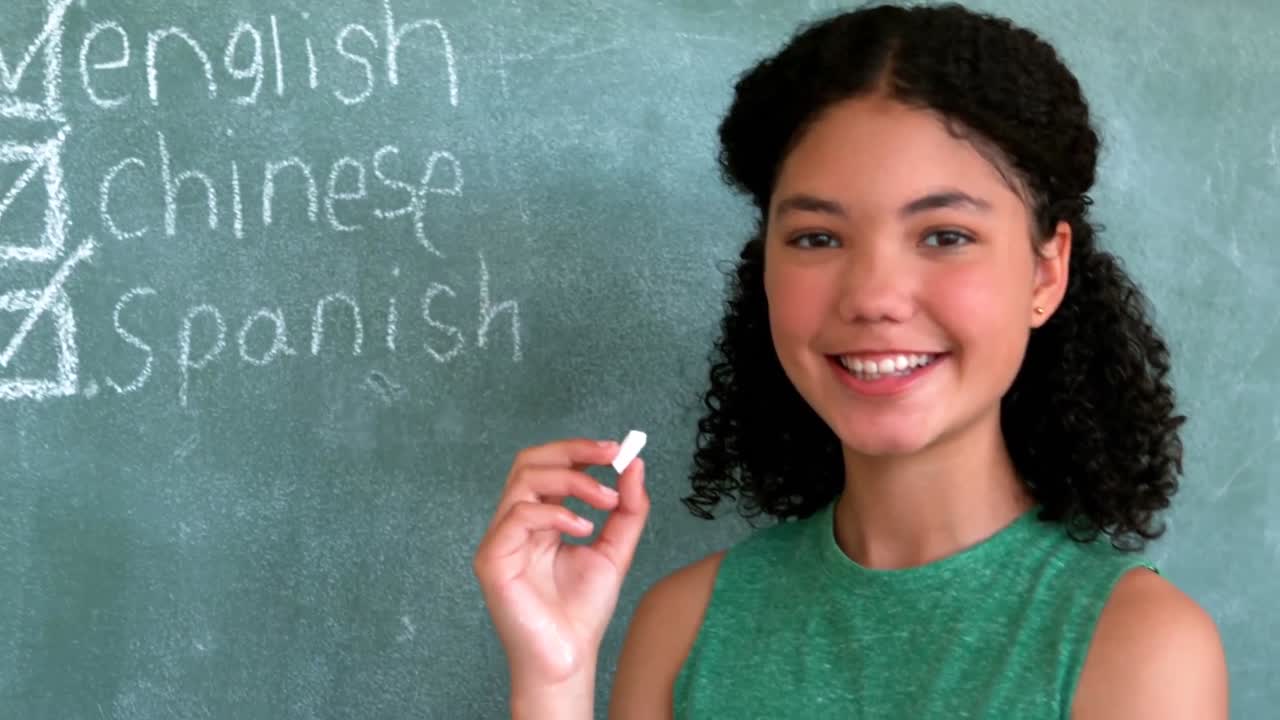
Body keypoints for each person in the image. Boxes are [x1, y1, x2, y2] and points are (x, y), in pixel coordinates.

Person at [472, 3, 1230, 718]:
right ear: (763, 269)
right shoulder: (684, 626)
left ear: (1045, 272)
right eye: (817, 239)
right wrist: (555, 680)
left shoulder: (1138, 646)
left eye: (944, 236)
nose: (873, 297)